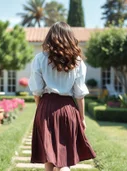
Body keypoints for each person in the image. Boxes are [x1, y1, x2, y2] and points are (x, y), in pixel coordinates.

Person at [28, 22, 96, 171]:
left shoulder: (39, 59)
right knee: (64, 160)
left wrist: (40, 110)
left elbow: (37, 90)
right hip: (68, 109)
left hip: (46, 107)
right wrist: (82, 118)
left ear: (50, 38)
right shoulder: (77, 61)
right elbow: (80, 94)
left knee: (49, 157)